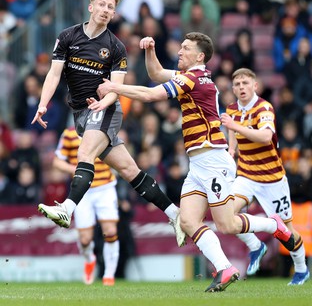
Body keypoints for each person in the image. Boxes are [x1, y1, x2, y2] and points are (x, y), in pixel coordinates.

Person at [89, 32, 295, 292]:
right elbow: (155, 74)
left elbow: (152, 95)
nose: (180, 51)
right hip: (197, 164)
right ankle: (225, 268)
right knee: (187, 221)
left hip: (213, 160)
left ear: (199, 56)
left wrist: (115, 87)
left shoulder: (194, 79)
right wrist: (150, 50)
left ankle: (272, 224)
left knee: (227, 224)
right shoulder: (190, 77)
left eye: (185, 49)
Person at [31, 0, 185, 249]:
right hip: (81, 113)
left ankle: (67, 209)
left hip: (106, 110)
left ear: (113, 14)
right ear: (91, 7)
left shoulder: (115, 47)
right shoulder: (67, 37)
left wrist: (105, 103)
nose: (105, 10)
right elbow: (54, 74)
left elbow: (116, 88)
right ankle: (175, 214)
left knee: (85, 153)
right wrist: (43, 104)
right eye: (101, 4)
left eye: (110, 7)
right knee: (130, 170)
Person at [221, 67, 310, 286]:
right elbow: (233, 131)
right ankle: (255, 246)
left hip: (272, 179)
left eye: (245, 83)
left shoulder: (264, 108)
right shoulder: (232, 109)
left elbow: (265, 136)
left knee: (286, 233)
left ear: (255, 86)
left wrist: (235, 126)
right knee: (225, 215)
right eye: (238, 84)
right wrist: (232, 150)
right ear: (233, 89)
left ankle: (300, 269)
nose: (241, 87)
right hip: (246, 175)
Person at [53, 126, 119, 286]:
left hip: (105, 186)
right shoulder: (69, 133)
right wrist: (76, 169)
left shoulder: (105, 128)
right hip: (83, 191)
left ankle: (109, 275)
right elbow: (57, 161)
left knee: (110, 231)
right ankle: (90, 260)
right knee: (85, 239)